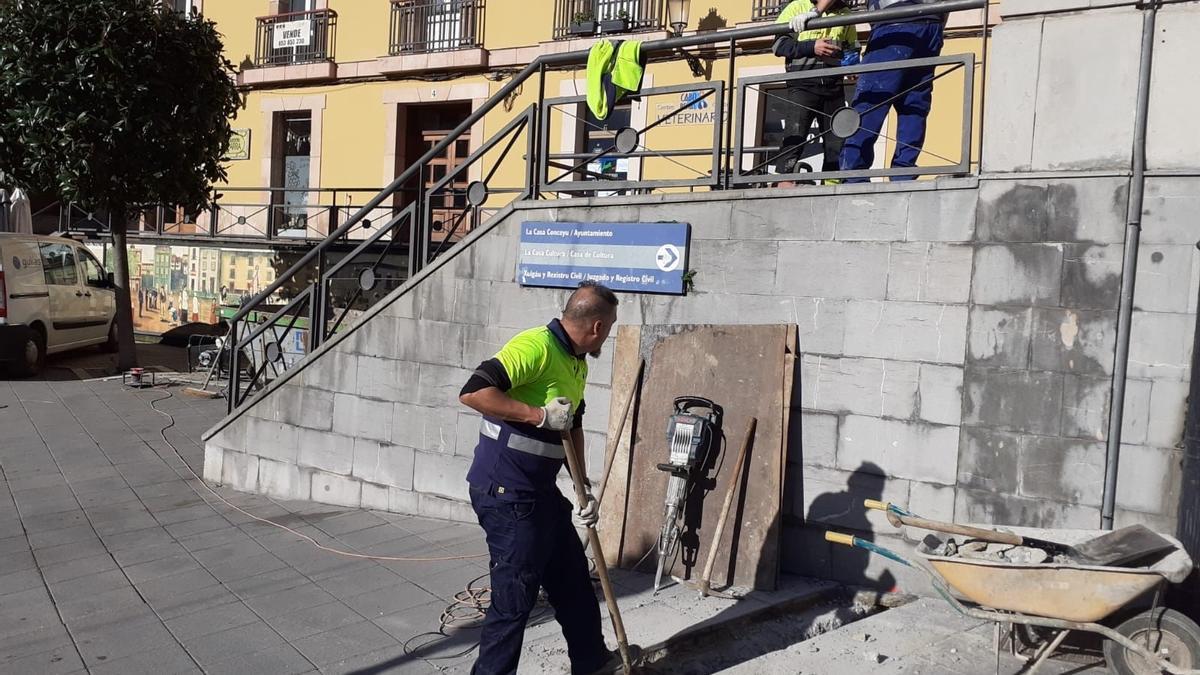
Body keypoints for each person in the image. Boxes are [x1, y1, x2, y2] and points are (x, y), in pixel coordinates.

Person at [458, 281, 622, 675]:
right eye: (611, 326)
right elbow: (473, 392)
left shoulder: (576, 361)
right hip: (507, 494)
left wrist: (583, 490)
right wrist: (539, 416)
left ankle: (592, 662)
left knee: (574, 585)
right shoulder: (536, 347)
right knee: (514, 602)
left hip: (540, 495)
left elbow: (573, 427)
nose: (610, 334)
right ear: (597, 327)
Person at [836, 0, 947, 181]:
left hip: (895, 24)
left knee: (870, 100)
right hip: (931, 26)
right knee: (914, 103)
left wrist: (816, 11)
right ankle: (903, 172)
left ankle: (853, 174)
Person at [772, 0, 859, 180]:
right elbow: (779, 46)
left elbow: (851, 49)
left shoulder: (845, 13)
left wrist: (852, 65)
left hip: (833, 85)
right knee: (794, 138)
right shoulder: (797, 7)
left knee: (836, 143)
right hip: (802, 82)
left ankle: (832, 190)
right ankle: (781, 185)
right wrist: (812, 47)